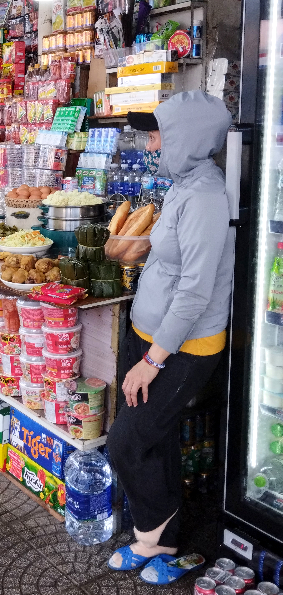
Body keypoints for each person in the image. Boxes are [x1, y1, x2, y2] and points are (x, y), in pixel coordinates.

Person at [107, 91, 234, 575]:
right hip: (149, 333)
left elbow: (196, 292)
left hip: (184, 348)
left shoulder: (205, 196)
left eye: (158, 132)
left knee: (127, 441)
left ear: (187, 138)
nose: (151, 142)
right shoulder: (181, 184)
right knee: (155, 439)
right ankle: (164, 543)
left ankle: (151, 536)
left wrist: (152, 360)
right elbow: (172, 257)